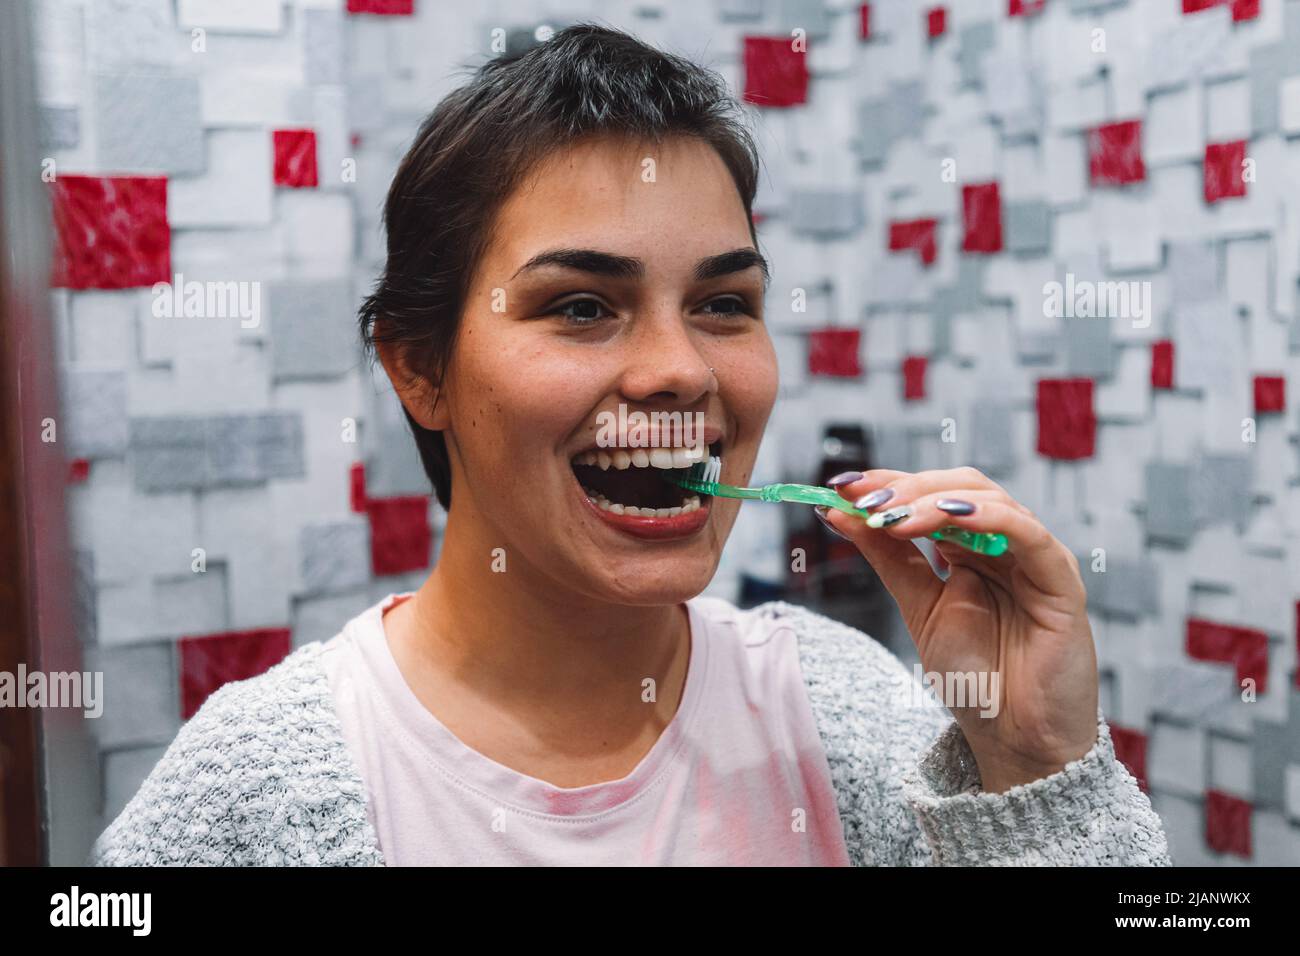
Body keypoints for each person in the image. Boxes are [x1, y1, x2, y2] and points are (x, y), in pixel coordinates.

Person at [90, 23, 1169, 866]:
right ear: (417, 366)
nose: (684, 371)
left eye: (724, 303)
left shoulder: (858, 715)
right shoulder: (247, 793)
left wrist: (1033, 764)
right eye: (579, 306)